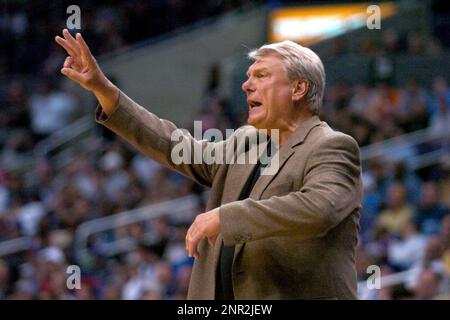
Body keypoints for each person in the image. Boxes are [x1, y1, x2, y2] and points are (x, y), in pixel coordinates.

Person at [55, 29, 362, 299]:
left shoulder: (331, 146)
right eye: (247, 76)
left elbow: (319, 209)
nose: (246, 85)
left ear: (298, 89)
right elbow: (176, 146)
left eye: (261, 76)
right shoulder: (247, 141)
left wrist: (226, 217)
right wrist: (103, 89)